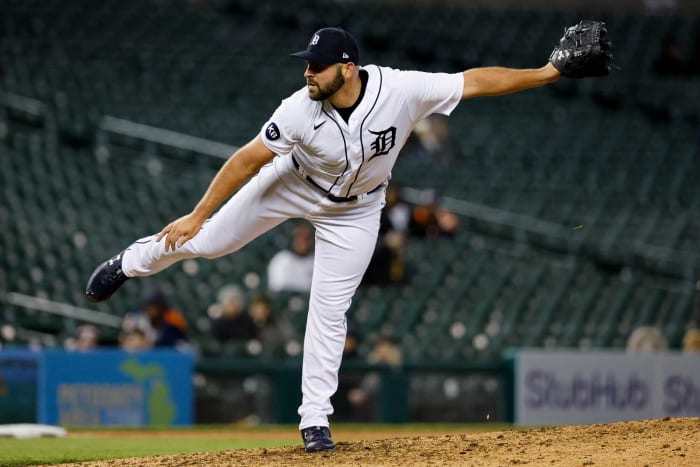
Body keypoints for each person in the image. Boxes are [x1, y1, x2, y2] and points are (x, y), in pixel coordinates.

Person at [85, 25, 593, 452]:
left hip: (356, 212)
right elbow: (245, 160)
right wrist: (198, 212)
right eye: (307, 63)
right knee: (210, 240)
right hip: (290, 184)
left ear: (347, 68)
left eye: (318, 65)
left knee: (330, 309)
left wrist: (547, 72)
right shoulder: (298, 108)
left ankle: (314, 421)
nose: (308, 71)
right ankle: (130, 262)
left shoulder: (401, 90)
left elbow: (475, 82)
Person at [121, 289, 189, 348]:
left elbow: (181, 342)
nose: (152, 310)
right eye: (150, 306)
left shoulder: (171, 319)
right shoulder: (138, 319)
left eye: (156, 307)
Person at [267, 222, 315, 293]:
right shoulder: (281, 260)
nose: (301, 242)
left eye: (306, 238)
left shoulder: (317, 261)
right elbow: (277, 290)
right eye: (299, 237)